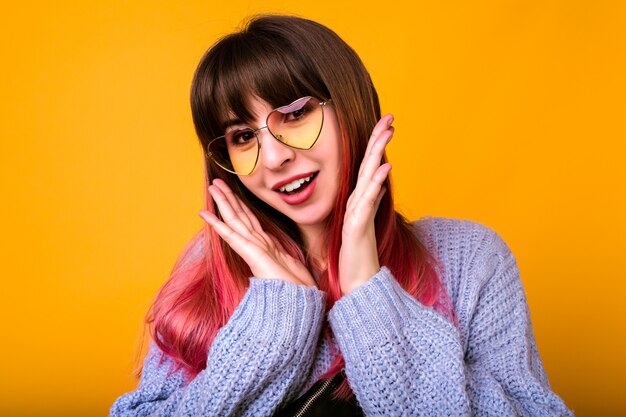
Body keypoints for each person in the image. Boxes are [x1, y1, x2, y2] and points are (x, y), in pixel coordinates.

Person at [109, 14, 573, 417]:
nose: (273, 158)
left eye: (295, 114)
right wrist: (277, 315)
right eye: (243, 137)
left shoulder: (470, 260)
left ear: (350, 107)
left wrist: (370, 296)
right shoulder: (209, 267)